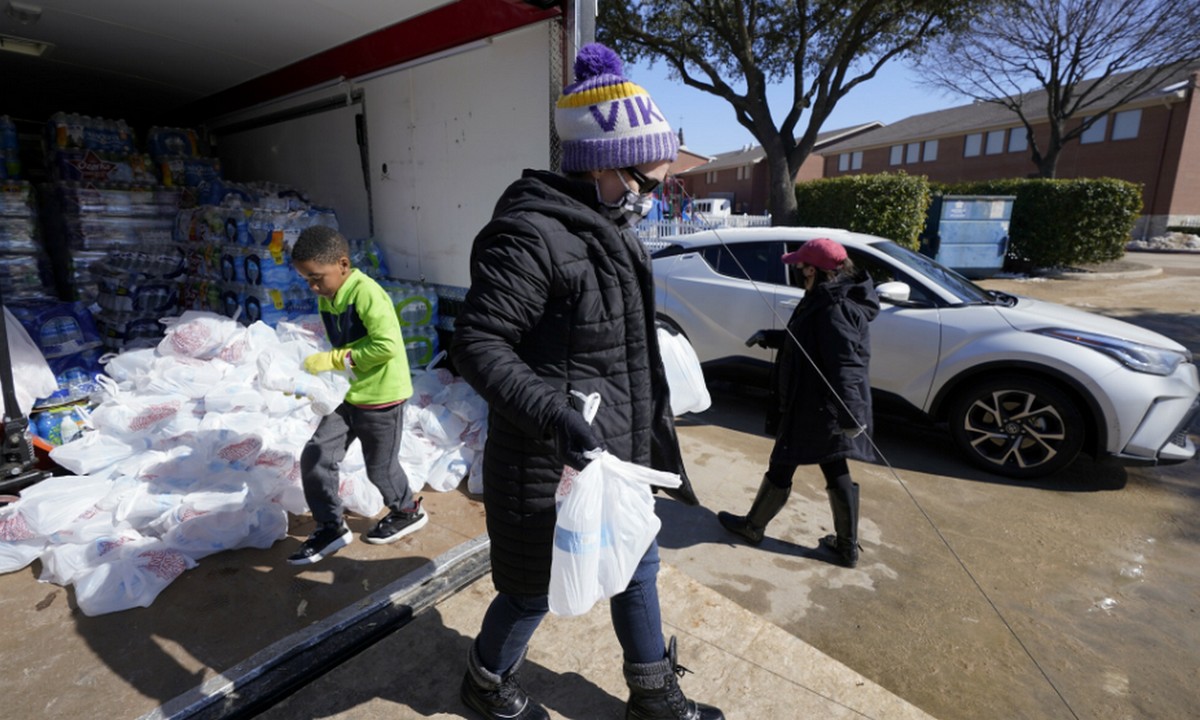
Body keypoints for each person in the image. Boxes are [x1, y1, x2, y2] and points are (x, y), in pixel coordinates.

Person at [451, 43, 723, 720]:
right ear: (602, 165)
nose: (652, 196)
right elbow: (479, 343)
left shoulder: (609, 227)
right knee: (532, 591)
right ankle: (485, 681)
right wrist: (554, 416)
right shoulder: (529, 236)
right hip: (548, 461)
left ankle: (653, 696)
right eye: (647, 180)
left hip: (615, 458)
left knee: (638, 567)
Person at [717, 238, 879, 568]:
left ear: (813, 270)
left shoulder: (833, 307)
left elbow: (845, 363)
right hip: (821, 403)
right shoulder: (827, 297)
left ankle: (753, 526)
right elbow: (810, 341)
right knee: (833, 464)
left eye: (801, 266)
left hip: (818, 405)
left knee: (785, 459)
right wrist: (771, 337)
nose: (798, 272)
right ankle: (846, 547)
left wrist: (850, 413)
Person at [286, 225, 426, 565]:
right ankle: (330, 526)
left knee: (380, 468)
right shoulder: (328, 296)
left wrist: (334, 360)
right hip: (349, 393)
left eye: (316, 278)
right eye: (306, 280)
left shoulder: (366, 294)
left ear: (343, 265)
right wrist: (315, 381)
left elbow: (386, 346)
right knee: (316, 455)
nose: (313, 286)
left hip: (382, 397)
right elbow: (345, 345)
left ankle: (407, 510)